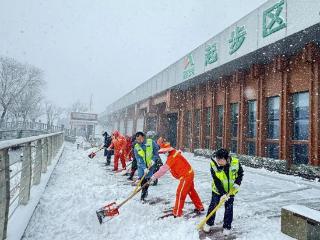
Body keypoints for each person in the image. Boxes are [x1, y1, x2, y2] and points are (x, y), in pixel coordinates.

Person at [150, 142, 204, 217]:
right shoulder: (173, 154)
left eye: (165, 152)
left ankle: (177, 212)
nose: (164, 153)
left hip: (186, 176)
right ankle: (199, 206)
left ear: (168, 150)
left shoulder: (172, 157)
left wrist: (154, 177)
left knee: (180, 193)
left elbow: (163, 169)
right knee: (191, 191)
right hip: (189, 173)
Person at [203, 148, 244, 236]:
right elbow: (216, 180)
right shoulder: (213, 164)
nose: (218, 162)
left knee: (229, 208)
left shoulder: (235, 163)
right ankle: (208, 223)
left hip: (231, 190)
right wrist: (222, 194)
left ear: (227, 159)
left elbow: (240, 173)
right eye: (217, 159)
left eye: (221, 160)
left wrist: (237, 183)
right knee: (213, 206)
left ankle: (227, 227)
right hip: (217, 190)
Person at [133, 131, 159, 201]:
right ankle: (143, 193)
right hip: (141, 166)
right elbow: (139, 159)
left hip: (151, 164)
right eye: (137, 139)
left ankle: (144, 192)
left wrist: (153, 160)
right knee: (142, 179)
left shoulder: (150, 142)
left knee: (147, 179)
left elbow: (156, 152)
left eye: (140, 139)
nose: (139, 141)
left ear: (143, 137)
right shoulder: (136, 147)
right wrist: (144, 168)